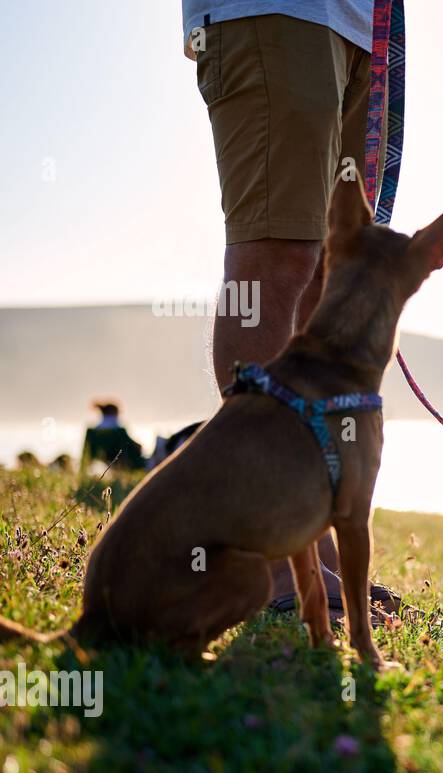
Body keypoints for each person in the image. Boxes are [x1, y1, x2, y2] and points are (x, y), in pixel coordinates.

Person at [183, 0, 401, 619]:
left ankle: (311, 541)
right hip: (276, 9)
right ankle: (271, 551)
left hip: (362, 25)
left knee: (323, 278)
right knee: (276, 260)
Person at [81, 400, 147, 474]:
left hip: (99, 464)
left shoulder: (92, 432)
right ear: (114, 413)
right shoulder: (119, 431)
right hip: (119, 462)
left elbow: (86, 452)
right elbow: (130, 446)